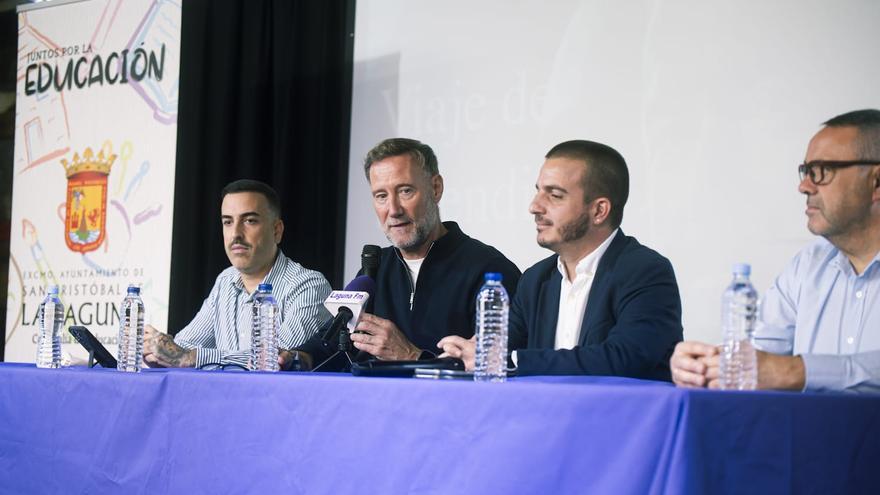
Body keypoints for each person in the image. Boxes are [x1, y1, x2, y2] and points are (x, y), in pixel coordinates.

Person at [671, 109, 880, 394]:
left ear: (876, 182)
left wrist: (798, 372)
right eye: (805, 172)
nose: (804, 186)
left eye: (821, 172)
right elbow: (762, 357)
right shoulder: (809, 265)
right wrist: (707, 366)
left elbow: (783, 372)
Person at [439, 140, 683, 379]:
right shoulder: (535, 280)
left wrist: (510, 360)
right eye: (538, 191)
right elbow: (497, 353)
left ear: (599, 211)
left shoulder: (645, 271)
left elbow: (624, 359)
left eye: (554, 195)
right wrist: (465, 354)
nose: (534, 206)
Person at [295, 138, 520, 370]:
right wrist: (300, 356)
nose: (393, 210)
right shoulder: (374, 269)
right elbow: (335, 339)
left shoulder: (490, 271)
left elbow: (493, 370)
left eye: (405, 191)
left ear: (436, 188)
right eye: (381, 196)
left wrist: (412, 355)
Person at [142, 179, 332, 369]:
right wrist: (157, 351)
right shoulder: (225, 281)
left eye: (249, 221)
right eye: (228, 222)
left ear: (277, 231)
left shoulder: (309, 286)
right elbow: (184, 347)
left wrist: (191, 358)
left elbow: (275, 359)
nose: (235, 234)